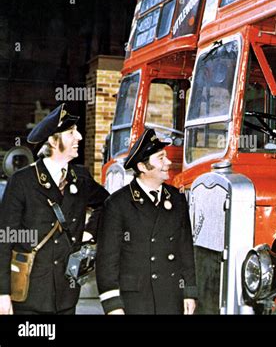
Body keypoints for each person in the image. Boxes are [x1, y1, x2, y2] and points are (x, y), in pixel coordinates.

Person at [0, 103, 109, 314]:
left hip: (66, 295)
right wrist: (2, 293)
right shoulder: (23, 181)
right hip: (28, 295)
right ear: (52, 140)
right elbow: (4, 239)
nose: (78, 137)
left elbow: (107, 203)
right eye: (70, 133)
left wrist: (89, 232)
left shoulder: (81, 177)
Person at [96, 129, 197, 315]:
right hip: (135, 301)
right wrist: (113, 306)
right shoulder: (118, 204)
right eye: (161, 158)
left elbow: (185, 247)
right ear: (143, 167)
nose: (168, 162)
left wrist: (189, 292)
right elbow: (107, 261)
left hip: (171, 297)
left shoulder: (177, 199)